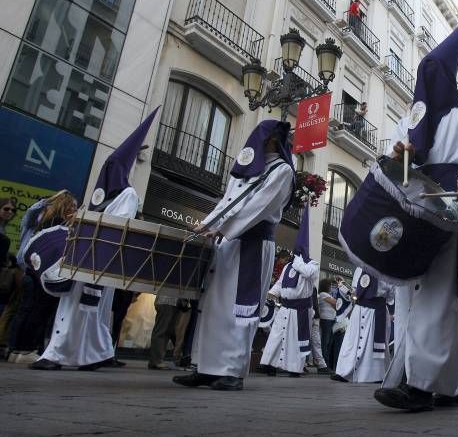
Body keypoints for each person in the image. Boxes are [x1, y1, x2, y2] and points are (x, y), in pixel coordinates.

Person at [365, 14, 458, 411]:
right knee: (412, 296)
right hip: (416, 209)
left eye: (434, 72)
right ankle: (448, 384)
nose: (426, 79)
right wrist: (399, 153)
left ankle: (422, 386)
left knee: (442, 297)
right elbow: (396, 155)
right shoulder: (409, 121)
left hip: (452, 207)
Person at [30, 111, 157, 371]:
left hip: (100, 258)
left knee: (87, 309)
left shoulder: (128, 194)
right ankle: (90, 354)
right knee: (80, 308)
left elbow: (119, 226)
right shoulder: (102, 195)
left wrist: (86, 223)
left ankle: (62, 355)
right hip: (84, 255)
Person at [173, 120, 294, 391]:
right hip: (227, 242)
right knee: (213, 306)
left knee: (241, 309)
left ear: (273, 139)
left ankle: (231, 371)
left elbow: (260, 207)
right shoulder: (245, 170)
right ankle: (205, 366)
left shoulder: (282, 170)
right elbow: (225, 201)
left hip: (252, 242)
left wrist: (221, 228)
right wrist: (206, 225)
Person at [259, 205, 317, 378]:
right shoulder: (287, 266)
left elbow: (308, 274)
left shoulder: (312, 264)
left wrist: (299, 262)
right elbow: (280, 283)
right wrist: (272, 293)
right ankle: (270, 364)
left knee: (294, 339)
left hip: (300, 309)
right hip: (284, 307)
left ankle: (294, 367)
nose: (298, 252)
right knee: (277, 336)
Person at [334, 268, 393, 383]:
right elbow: (355, 293)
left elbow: (391, 296)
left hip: (378, 311)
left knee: (374, 344)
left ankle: (376, 375)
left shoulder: (388, 268)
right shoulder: (360, 269)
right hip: (359, 309)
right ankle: (345, 372)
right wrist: (344, 287)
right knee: (352, 342)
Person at [148, 293, 191, 370]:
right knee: (162, 330)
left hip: (172, 301)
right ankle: (156, 361)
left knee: (166, 331)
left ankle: (157, 360)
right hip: (167, 300)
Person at [317, 278, 337, 368]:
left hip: (331, 320)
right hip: (326, 319)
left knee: (329, 342)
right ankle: (325, 362)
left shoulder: (328, 295)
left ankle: (328, 362)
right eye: (330, 286)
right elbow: (336, 303)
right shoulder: (323, 294)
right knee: (325, 341)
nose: (331, 287)